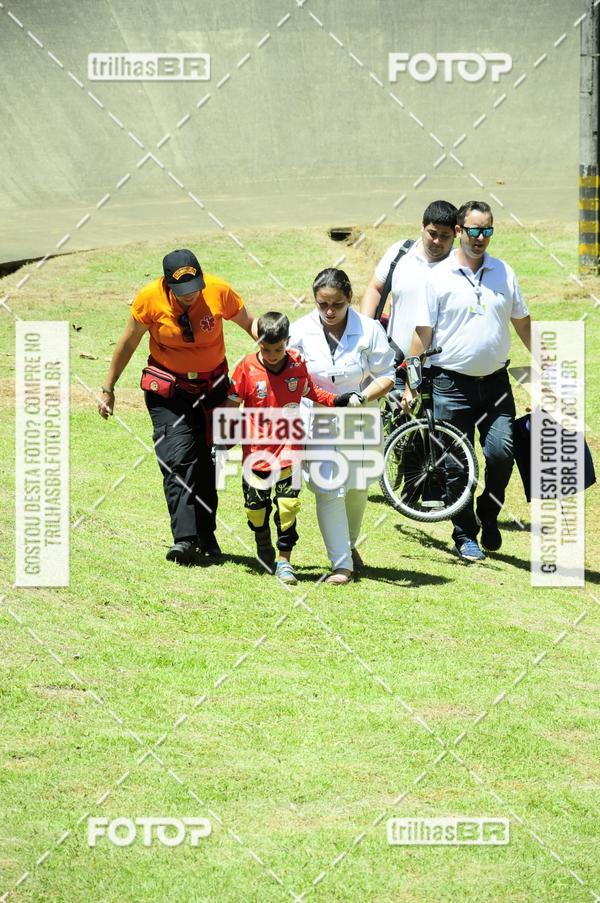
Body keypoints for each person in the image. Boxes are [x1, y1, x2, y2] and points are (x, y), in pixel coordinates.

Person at [98, 248, 257, 565]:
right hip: (170, 391)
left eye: (194, 287)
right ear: (167, 284)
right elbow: (129, 342)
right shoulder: (149, 299)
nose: (189, 295)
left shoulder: (219, 291)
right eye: (181, 291)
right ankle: (184, 539)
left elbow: (251, 325)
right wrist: (108, 387)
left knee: (209, 462)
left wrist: (276, 352)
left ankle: (206, 534)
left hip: (212, 388)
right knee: (178, 458)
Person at [401, 201, 532, 562]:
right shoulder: (438, 277)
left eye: (487, 230)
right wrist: (412, 380)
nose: (480, 237)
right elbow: (422, 332)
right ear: (459, 231)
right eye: (474, 230)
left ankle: (488, 512)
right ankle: (465, 534)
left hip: (495, 384)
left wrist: (548, 362)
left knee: (501, 453)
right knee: (456, 463)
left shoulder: (504, 272)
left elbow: (522, 321)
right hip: (449, 384)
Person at [227, 311, 355, 585]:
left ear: (288, 342)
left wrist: (338, 400)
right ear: (258, 343)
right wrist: (224, 438)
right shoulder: (246, 368)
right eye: (266, 349)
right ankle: (263, 546)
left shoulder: (297, 365)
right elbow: (231, 405)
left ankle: (284, 561)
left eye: (278, 348)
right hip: (256, 454)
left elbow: (311, 392)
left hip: (290, 450)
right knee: (255, 509)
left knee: (287, 507)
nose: (272, 355)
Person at [288, 269, 395, 584]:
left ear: (350, 298)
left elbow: (387, 373)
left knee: (358, 485)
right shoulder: (299, 331)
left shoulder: (370, 329)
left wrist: (362, 398)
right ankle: (341, 564)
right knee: (329, 487)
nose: (330, 311)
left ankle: (348, 545)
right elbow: (286, 372)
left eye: (337, 304)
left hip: (361, 416)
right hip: (318, 418)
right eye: (323, 305)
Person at [360, 200, 457, 370]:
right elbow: (375, 288)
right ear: (422, 227)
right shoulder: (400, 252)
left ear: (456, 234)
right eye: (432, 233)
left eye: (445, 236)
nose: (437, 241)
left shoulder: (460, 267)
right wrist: (366, 332)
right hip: (394, 363)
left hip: (442, 372)